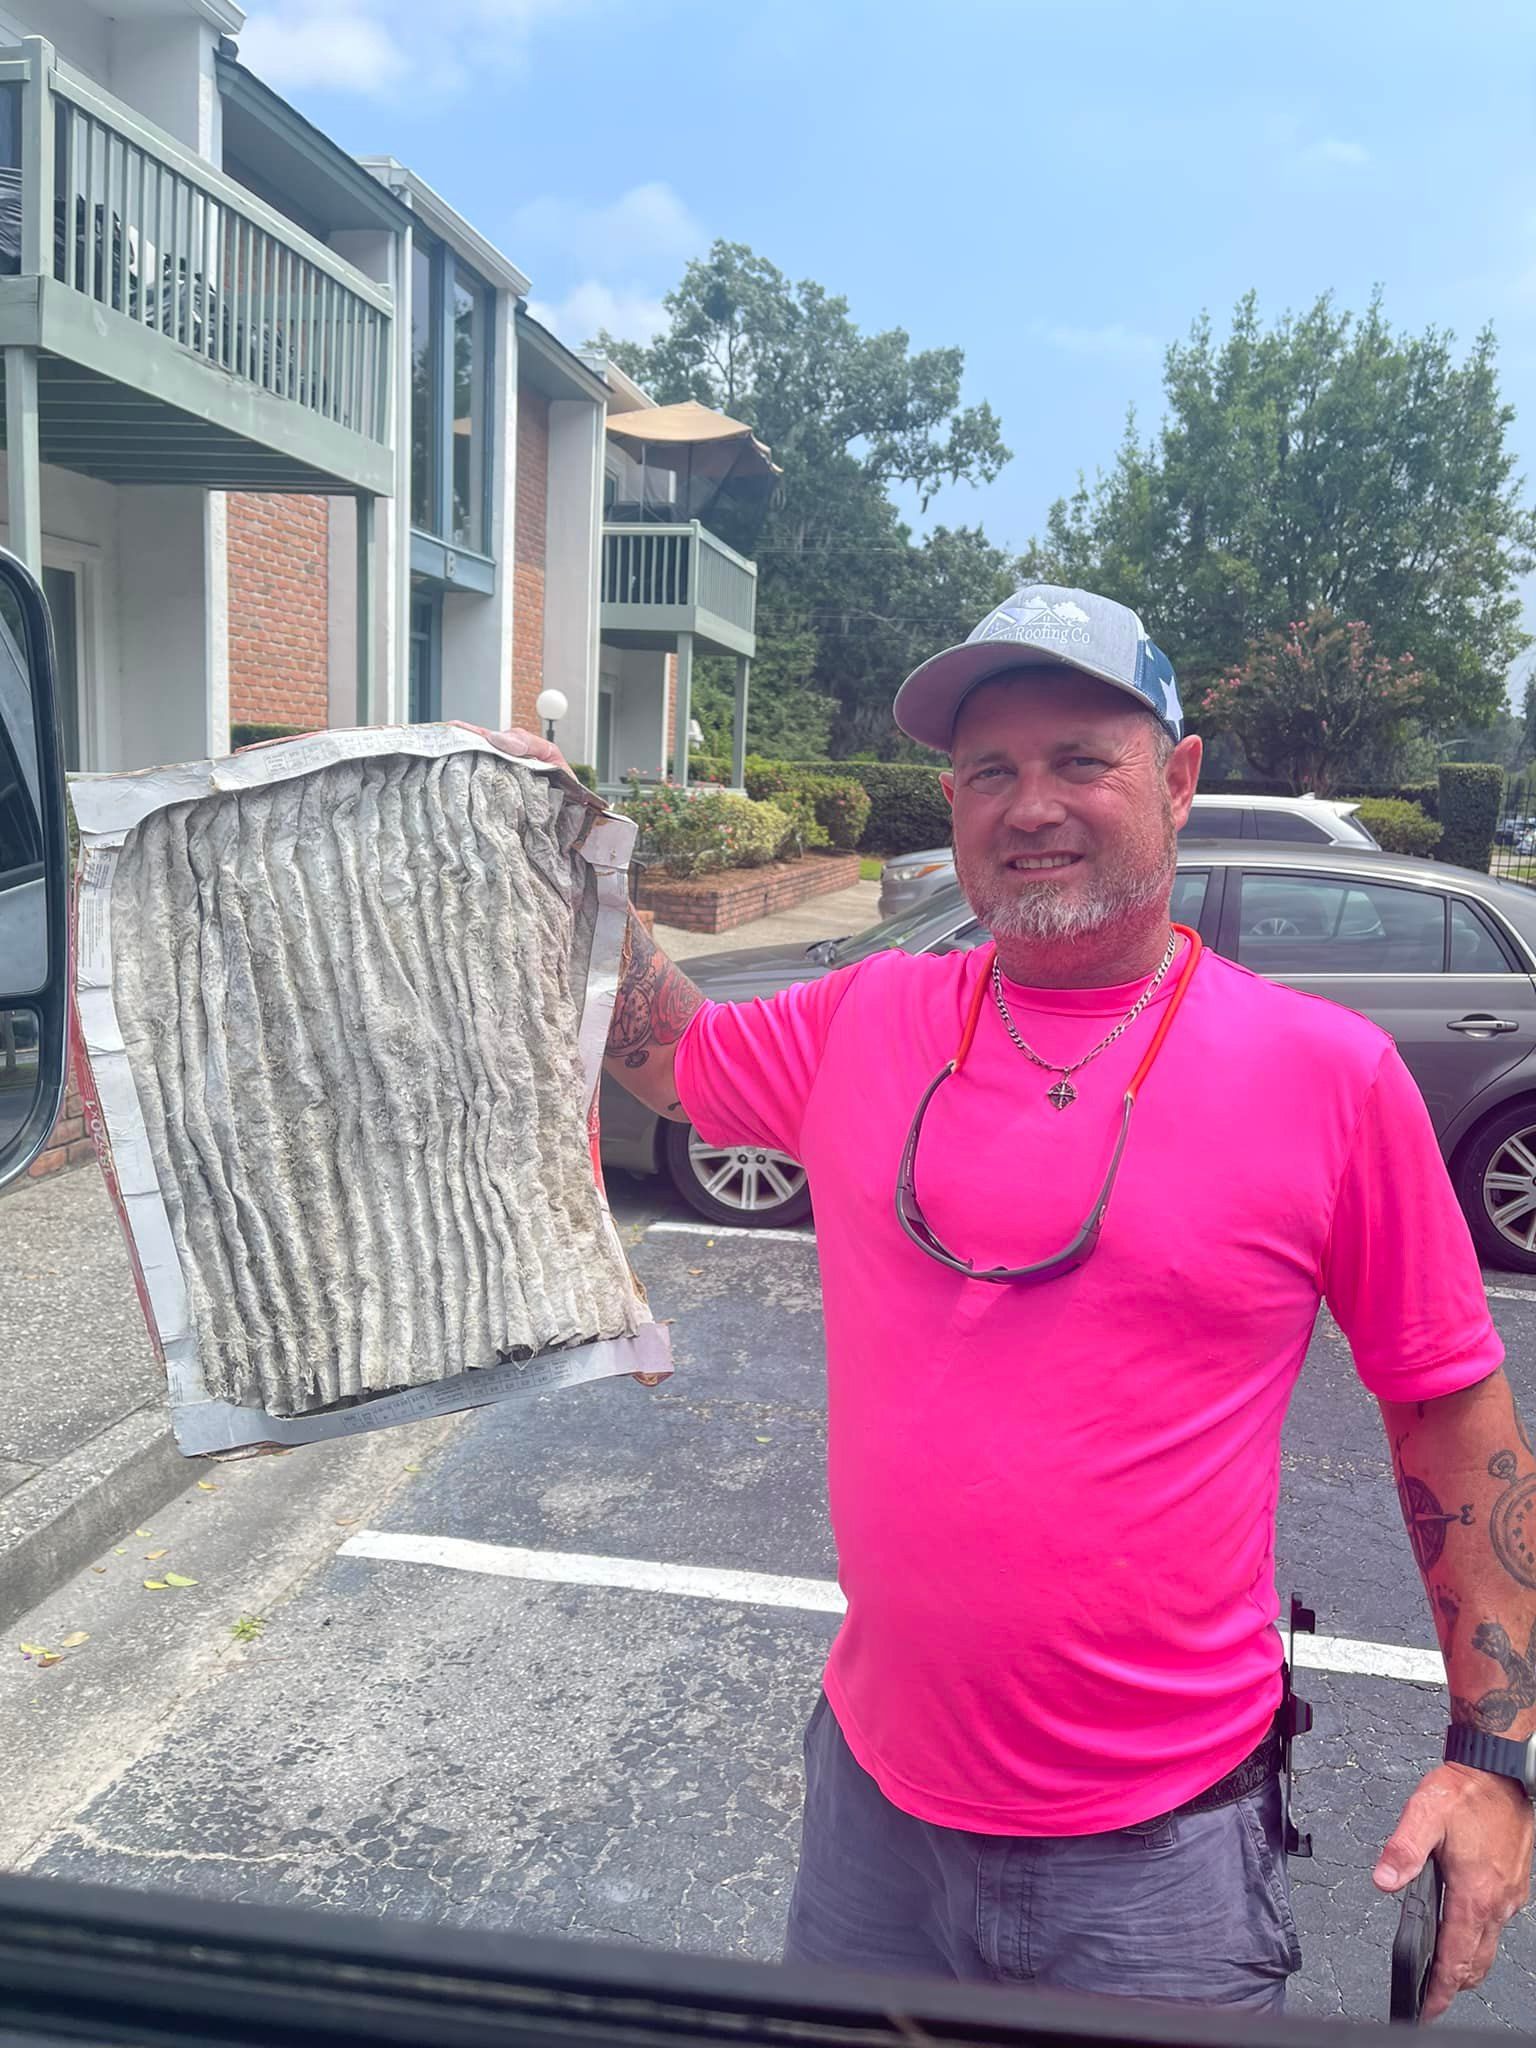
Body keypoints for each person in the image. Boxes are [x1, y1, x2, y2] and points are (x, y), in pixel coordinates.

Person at [480, 584, 1535, 2017]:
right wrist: (564, 852)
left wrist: (1500, 1754)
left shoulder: (1330, 1079)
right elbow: (670, 1059)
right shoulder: (869, 1017)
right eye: (990, 771)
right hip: (874, 1822)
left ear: (1175, 781)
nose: (1028, 804)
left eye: (1079, 761)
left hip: (1160, 1860)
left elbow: (1448, 1404)